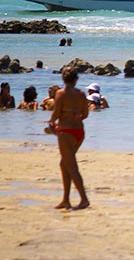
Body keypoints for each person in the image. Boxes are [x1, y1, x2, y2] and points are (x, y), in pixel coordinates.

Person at [47, 68, 90, 209]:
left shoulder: (61, 93)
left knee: (71, 166)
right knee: (64, 163)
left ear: (63, 80)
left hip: (66, 132)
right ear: (76, 79)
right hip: (79, 131)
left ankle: (84, 199)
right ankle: (65, 199)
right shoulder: (82, 94)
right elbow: (85, 114)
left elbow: (56, 113)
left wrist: (51, 123)